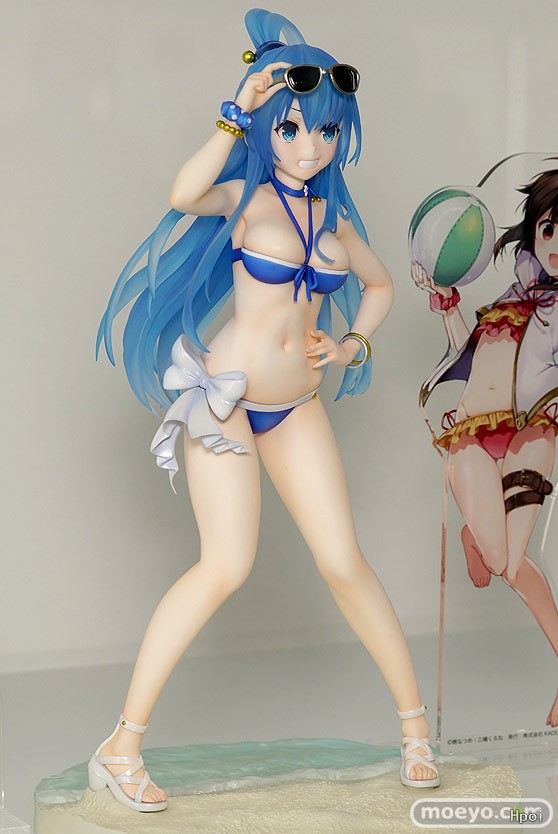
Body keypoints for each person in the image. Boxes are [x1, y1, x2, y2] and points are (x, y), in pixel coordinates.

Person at [90, 8, 439, 813]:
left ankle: (416, 732)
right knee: (226, 566)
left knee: (344, 561)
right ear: (267, 128)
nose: (309, 147)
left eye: (325, 131)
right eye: (291, 128)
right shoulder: (246, 202)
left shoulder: (334, 219)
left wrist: (351, 344)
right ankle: (120, 747)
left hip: (297, 404)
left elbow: (380, 286)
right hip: (226, 403)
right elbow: (182, 192)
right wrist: (234, 110)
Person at [412, 168, 558, 727]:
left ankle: (481, 531)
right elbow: (467, 354)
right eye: (549, 229)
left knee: (511, 564)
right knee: (503, 563)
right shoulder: (514, 293)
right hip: (473, 431)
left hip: (532, 434)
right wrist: (447, 302)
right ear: (535, 230)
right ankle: (478, 531)